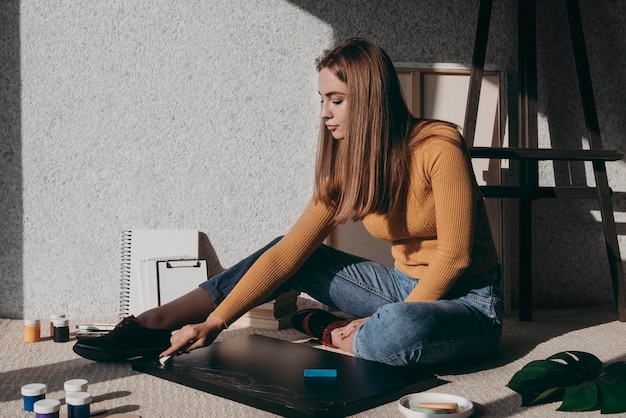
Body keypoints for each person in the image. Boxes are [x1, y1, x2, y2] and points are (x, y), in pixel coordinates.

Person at [73, 38, 503, 367]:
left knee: (398, 330)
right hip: (398, 288)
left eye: (336, 100)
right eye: (322, 100)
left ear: (370, 100)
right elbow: (285, 257)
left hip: (467, 301)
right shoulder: (347, 166)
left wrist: (376, 322)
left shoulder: (438, 145)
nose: (325, 113)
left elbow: (455, 255)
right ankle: (158, 323)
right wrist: (216, 322)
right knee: (293, 251)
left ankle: (329, 328)